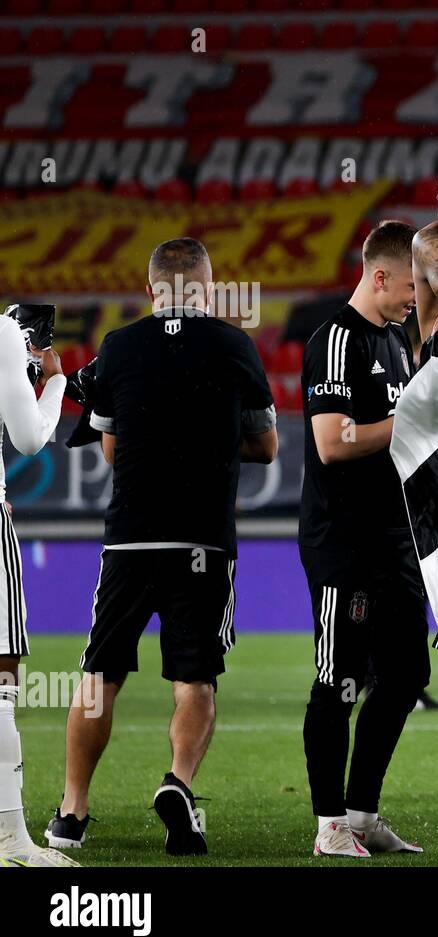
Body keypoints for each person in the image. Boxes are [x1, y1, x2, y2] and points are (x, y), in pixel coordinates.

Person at [47, 238, 278, 856]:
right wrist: (210, 435)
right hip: (203, 540)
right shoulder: (235, 346)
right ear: (207, 286)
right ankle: (177, 783)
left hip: (130, 540)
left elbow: (114, 451)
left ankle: (71, 812)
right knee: (195, 680)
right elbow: (267, 448)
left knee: (100, 675)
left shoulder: (118, 348)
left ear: (152, 290)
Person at [298, 220, 430, 858]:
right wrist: (407, 424)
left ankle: (362, 812)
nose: (415, 296)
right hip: (342, 541)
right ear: (378, 276)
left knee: (406, 673)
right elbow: (332, 441)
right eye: (409, 285)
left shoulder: (396, 342)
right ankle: (329, 825)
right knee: (338, 678)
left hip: (394, 537)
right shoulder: (335, 340)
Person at [0, 308, 73, 867]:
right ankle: (10, 840)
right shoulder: (2, 332)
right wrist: (53, 383)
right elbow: (29, 438)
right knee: (2, 681)